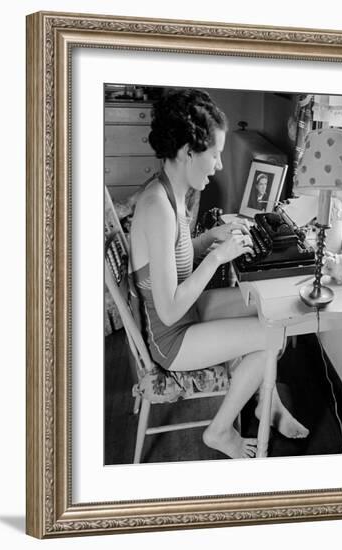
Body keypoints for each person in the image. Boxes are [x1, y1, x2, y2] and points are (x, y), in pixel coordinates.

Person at [129, 88, 308, 459]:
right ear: (187, 152)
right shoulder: (157, 207)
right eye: (216, 153)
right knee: (272, 336)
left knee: (272, 315)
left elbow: (170, 260)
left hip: (182, 316)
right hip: (171, 340)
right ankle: (219, 430)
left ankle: (265, 403)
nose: (220, 165)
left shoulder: (169, 191)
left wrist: (209, 239)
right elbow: (169, 310)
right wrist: (217, 258)